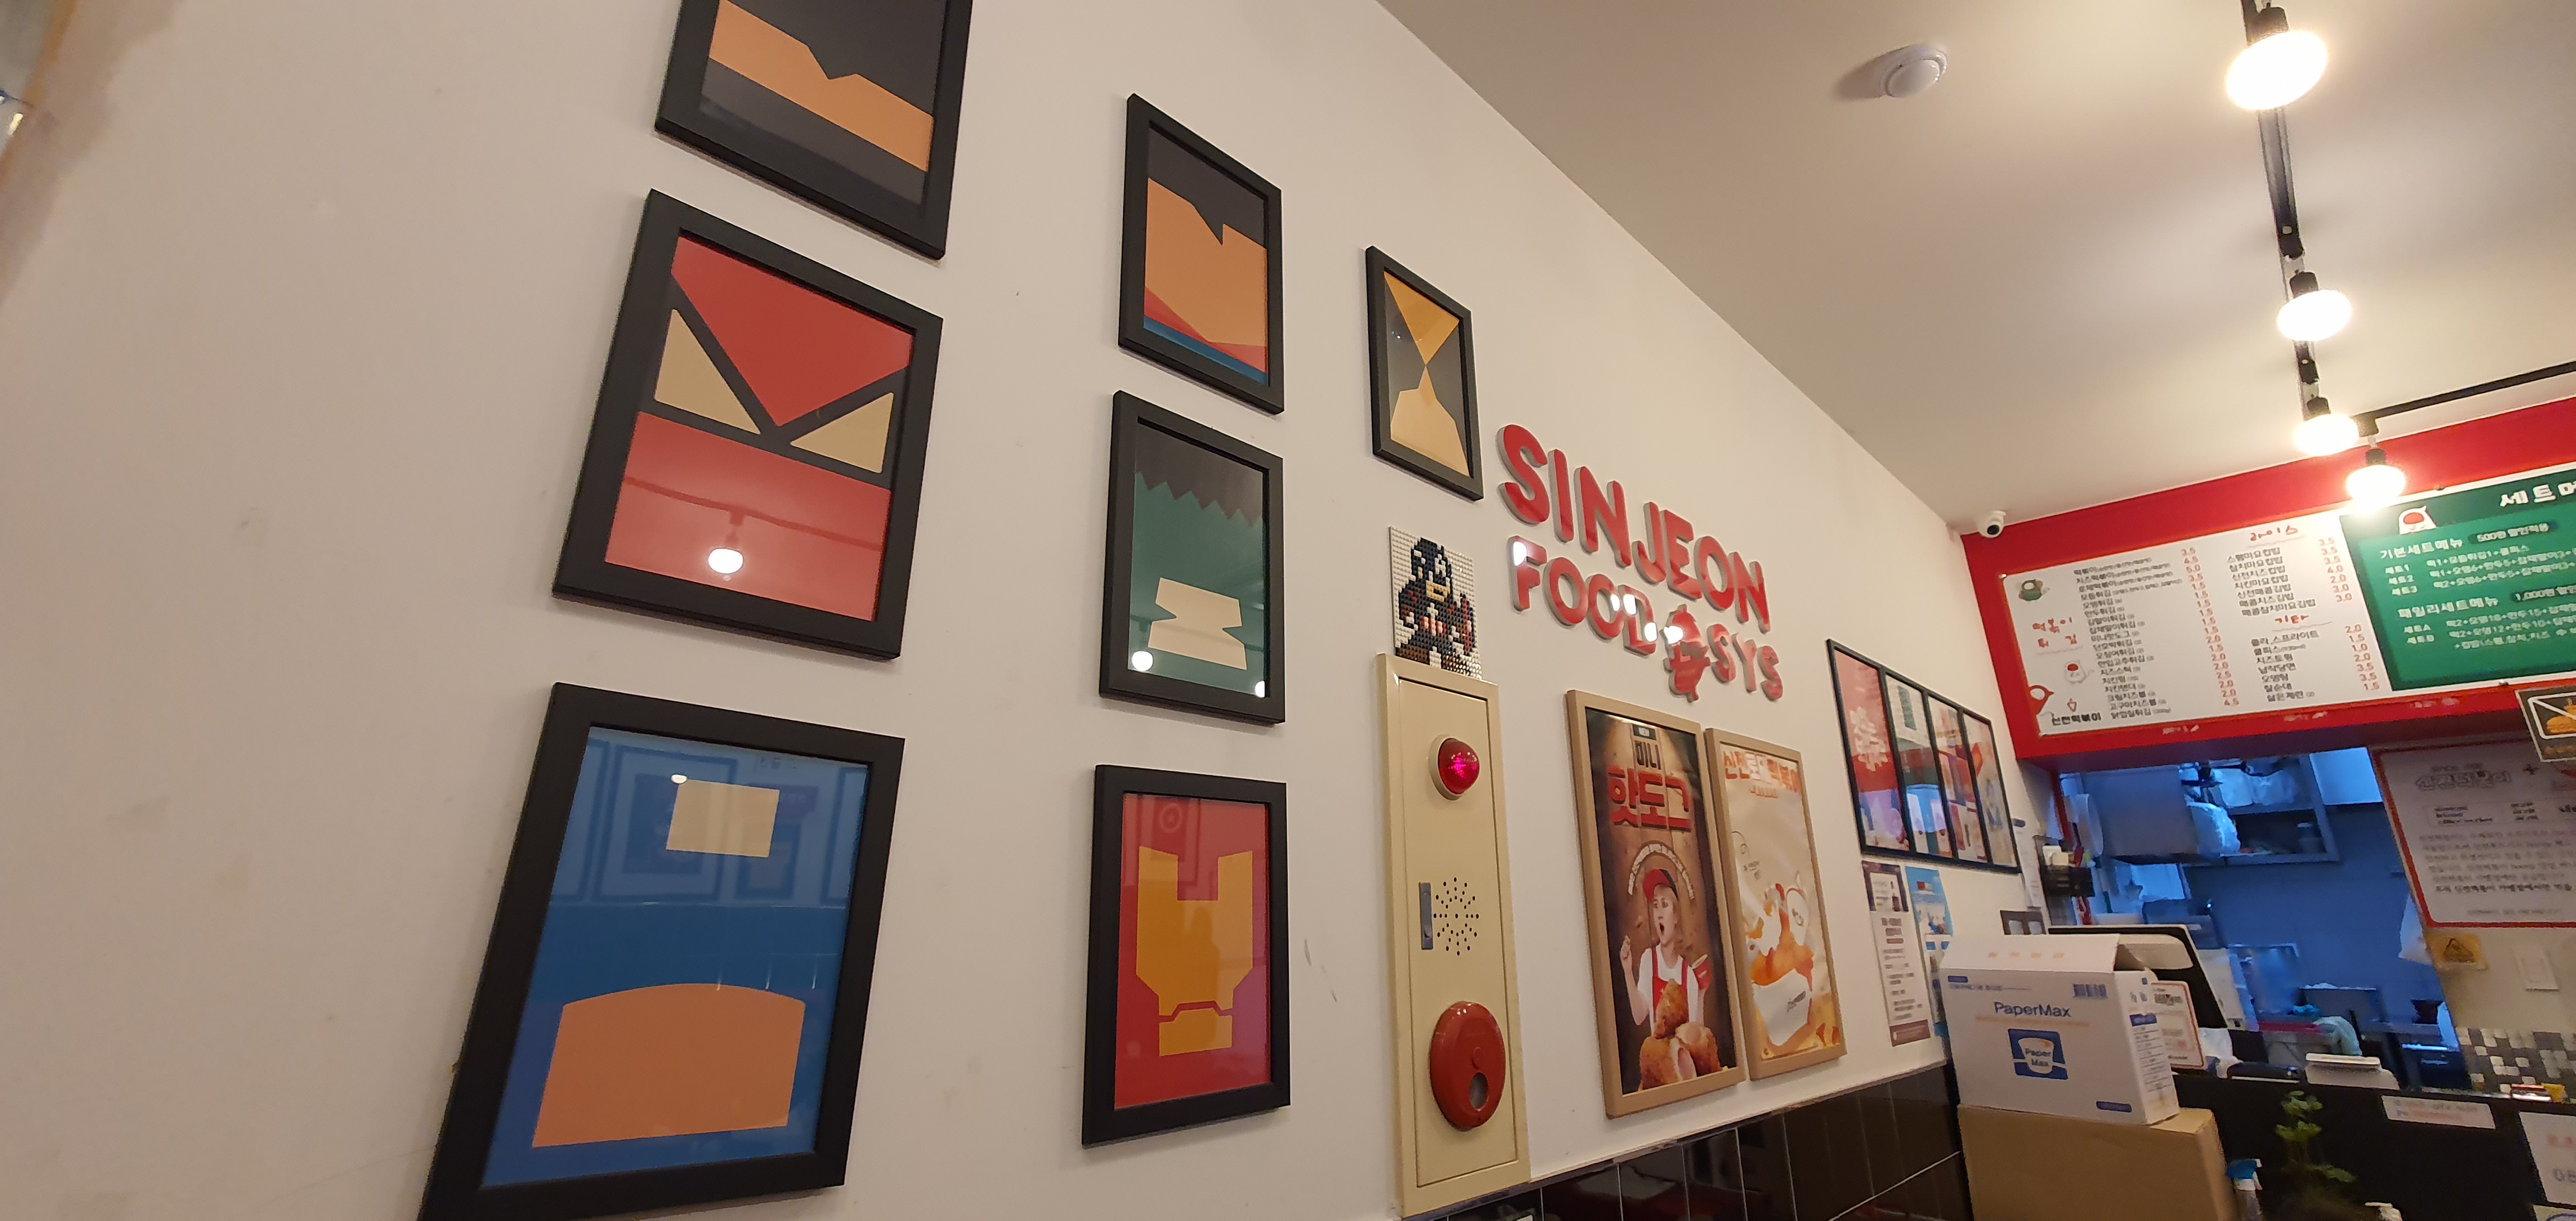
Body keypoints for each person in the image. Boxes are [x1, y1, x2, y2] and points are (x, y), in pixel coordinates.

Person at [1619, 867, 1717, 1084]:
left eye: (1665, 905)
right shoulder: (1649, 960)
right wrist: (1627, 970)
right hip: (1659, 1068)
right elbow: (1639, 1016)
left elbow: (1695, 1033)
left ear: (1676, 916)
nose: (1659, 913)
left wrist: (1701, 993)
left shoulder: (1688, 973)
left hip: (1684, 1072)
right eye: (1655, 906)